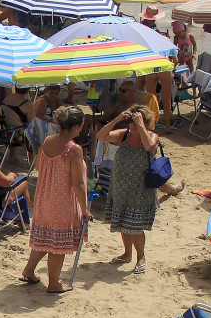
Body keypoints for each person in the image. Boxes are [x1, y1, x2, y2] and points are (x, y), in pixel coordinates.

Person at [21, 104, 91, 294]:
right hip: (62, 202)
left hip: (45, 197)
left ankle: (28, 270)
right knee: (57, 247)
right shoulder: (74, 150)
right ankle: (54, 284)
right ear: (76, 127)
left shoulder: (48, 141)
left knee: (45, 238)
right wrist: (84, 208)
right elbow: (78, 183)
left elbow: (37, 167)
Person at [96, 103, 162, 273]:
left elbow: (149, 147)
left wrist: (141, 126)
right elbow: (101, 136)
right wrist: (118, 119)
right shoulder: (123, 135)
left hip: (140, 189)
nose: (132, 123)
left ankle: (141, 256)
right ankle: (127, 254)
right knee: (123, 222)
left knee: (136, 226)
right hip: (120, 185)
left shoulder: (152, 136)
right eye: (131, 120)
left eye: (137, 119)